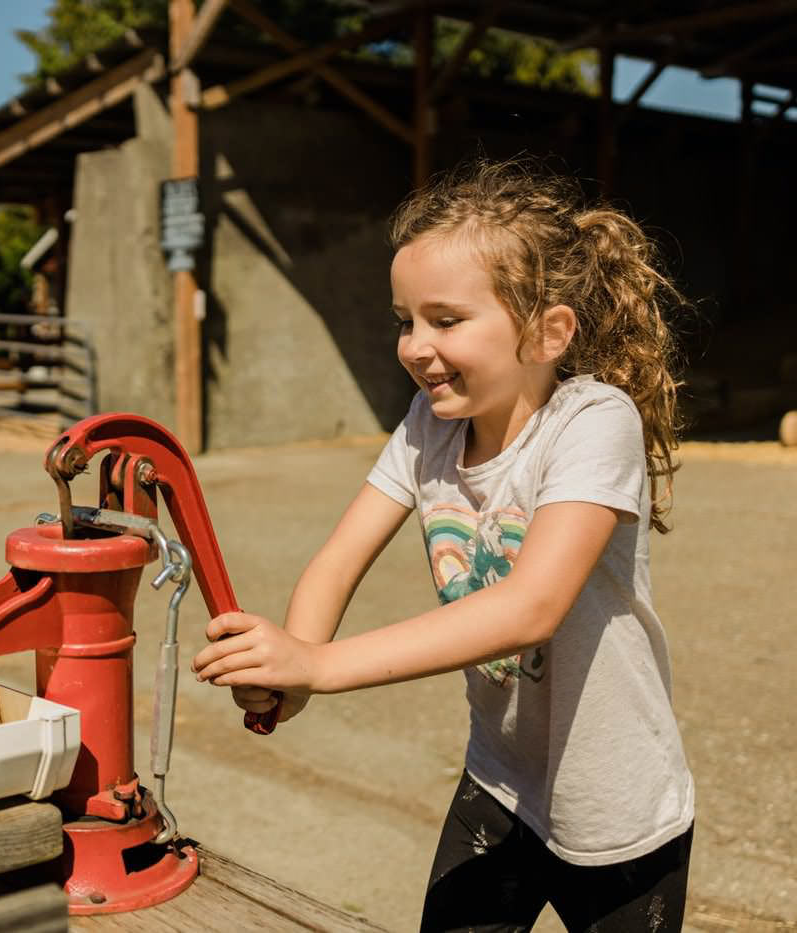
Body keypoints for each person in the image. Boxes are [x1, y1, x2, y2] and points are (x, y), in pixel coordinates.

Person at [191, 159, 694, 932]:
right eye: (405, 320)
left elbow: (530, 607)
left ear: (547, 332)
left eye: (446, 320)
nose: (415, 346)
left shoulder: (595, 422)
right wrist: (292, 656)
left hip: (614, 806)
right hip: (500, 780)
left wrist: (321, 666)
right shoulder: (430, 426)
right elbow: (338, 557)